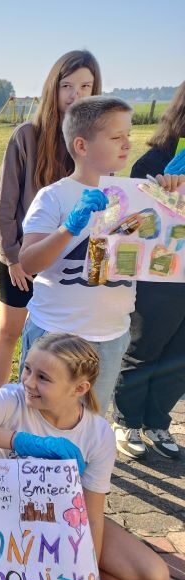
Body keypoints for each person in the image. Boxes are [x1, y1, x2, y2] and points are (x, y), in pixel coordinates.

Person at [0, 333, 170, 580]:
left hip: (60, 518)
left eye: (43, 378)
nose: (28, 382)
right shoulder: (12, 400)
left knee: (153, 576)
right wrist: (20, 441)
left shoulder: (98, 433)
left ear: (79, 389)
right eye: (27, 369)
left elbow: (91, 516)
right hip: (2, 516)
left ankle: (48, 572)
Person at [18, 96, 185, 414]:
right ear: (81, 145)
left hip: (110, 335)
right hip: (55, 331)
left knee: (90, 420)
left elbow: (166, 248)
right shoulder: (55, 196)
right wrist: (68, 229)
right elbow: (29, 262)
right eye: (116, 137)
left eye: (128, 135)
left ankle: (83, 465)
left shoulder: (141, 194)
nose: (127, 144)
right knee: (38, 416)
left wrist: (172, 196)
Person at [0, 50, 102, 388]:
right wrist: (12, 257)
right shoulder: (27, 135)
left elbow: (107, 203)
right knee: (11, 330)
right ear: (52, 89)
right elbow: (4, 202)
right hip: (22, 259)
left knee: (56, 340)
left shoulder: (95, 143)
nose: (76, 95)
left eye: (86, 86)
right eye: (66, 85)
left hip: (69, 260)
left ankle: (51, 406)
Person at [112, 81, 185, 460]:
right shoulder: (157, 160)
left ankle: (158, 421)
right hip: (162, 276)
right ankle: (126, 420)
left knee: (180, 355)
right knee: (146, 348)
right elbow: (130, 219)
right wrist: (160, 191)